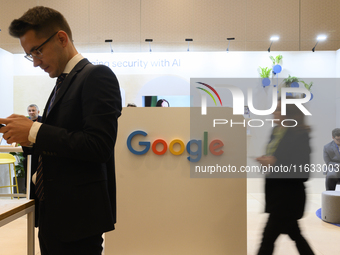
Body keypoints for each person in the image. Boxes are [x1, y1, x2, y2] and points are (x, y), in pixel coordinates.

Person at [0, 6, 121, 255]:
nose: (35, 62)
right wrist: (24, 134)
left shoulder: (97, 76)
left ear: (61, 38)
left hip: (78, 219)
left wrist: (34, 131)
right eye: (29, 55)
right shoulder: (62, 83)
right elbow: (62, 137)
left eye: (37, 51)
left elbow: (99, 146)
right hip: (54, 214)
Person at [256, 98, 315, 255]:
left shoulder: (300, 135)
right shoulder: (276, 132)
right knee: (296, 236)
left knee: (267, 239)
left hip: (287, 199)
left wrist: (274, 163)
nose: (274, 112)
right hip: (276, 195)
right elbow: (278, 159)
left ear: (289, 114)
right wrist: (267, 161)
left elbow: (303, 173)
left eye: (278, 109)